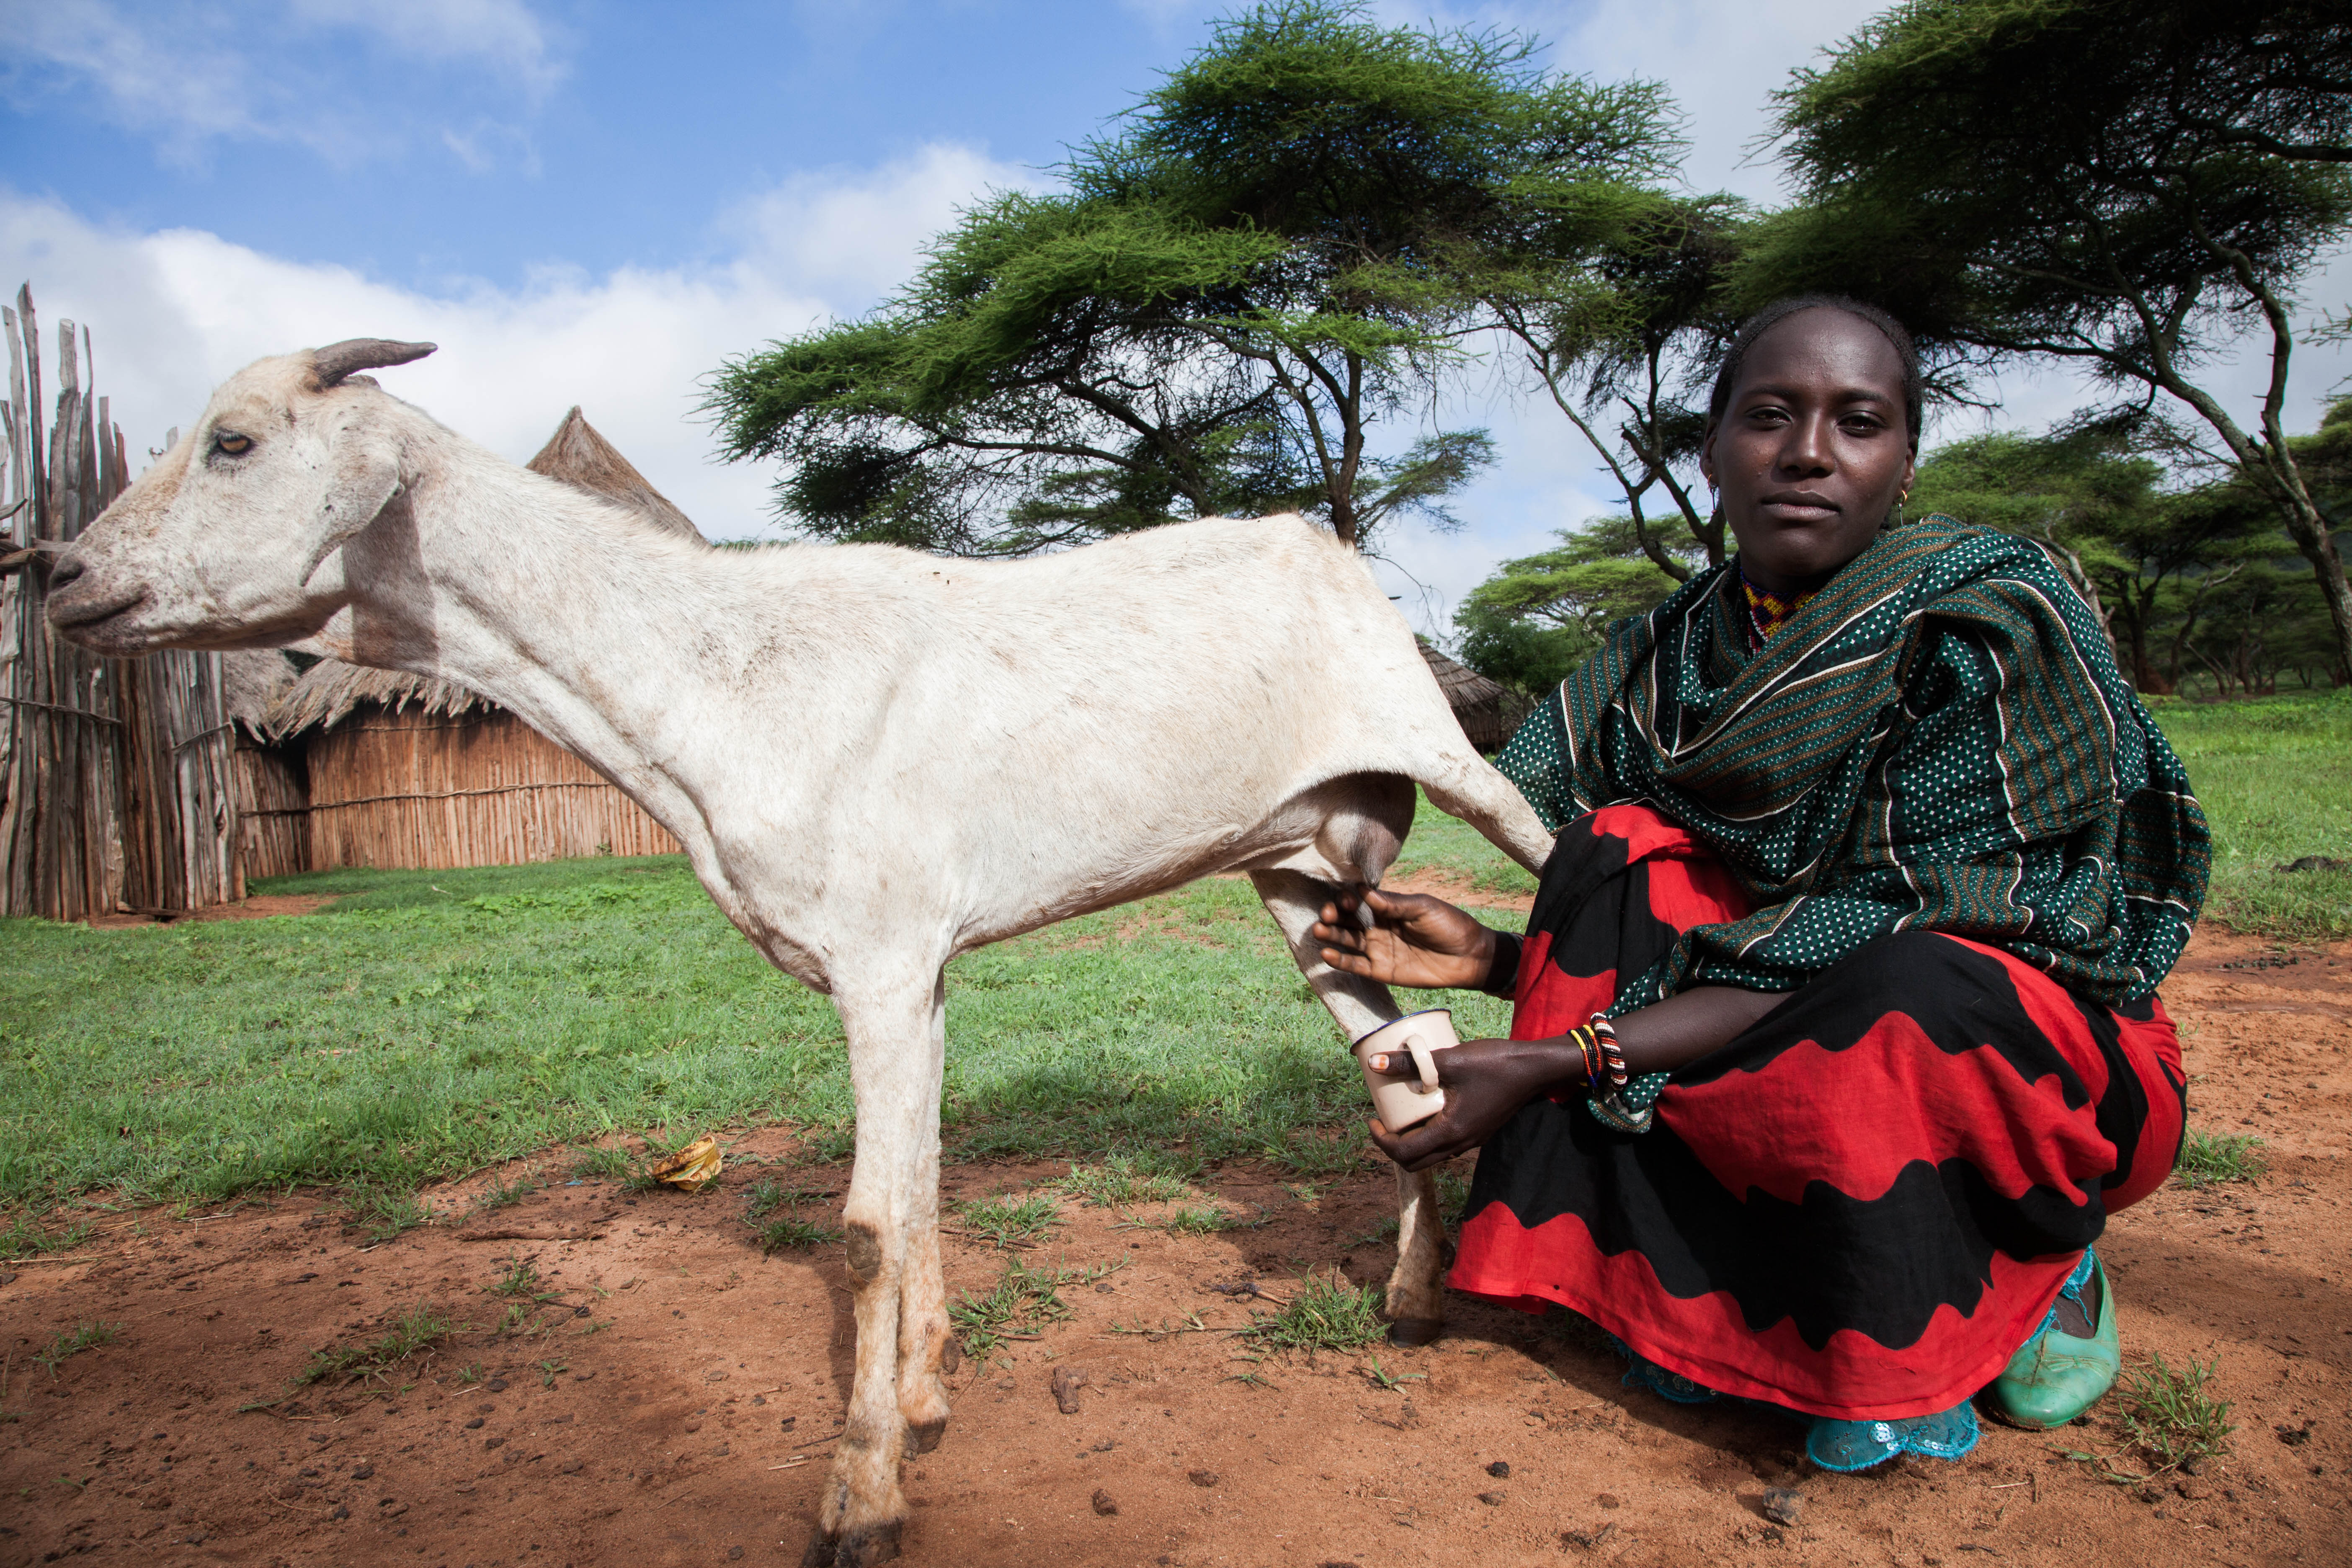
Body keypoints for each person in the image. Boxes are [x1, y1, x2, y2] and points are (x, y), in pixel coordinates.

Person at [1312, 294, 2208, 1472]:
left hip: (2032, 1065)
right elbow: (1708, 935)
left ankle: (2037, 1262)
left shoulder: (1985, 624)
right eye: (1771, 416)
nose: (1809, 453)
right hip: (1795, 1019)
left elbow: (1866, 943)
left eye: (1859, 421)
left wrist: (1554, 1059)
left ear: (1904, 459)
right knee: (1622, 842)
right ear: (1714, 449)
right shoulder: (1666, 656)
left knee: (1907, 983)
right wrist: (1491, 959)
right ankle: (1684, 1286)